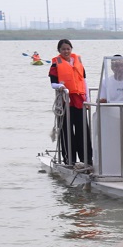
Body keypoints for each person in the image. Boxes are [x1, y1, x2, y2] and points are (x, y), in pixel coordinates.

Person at [48, 38, 90, 166]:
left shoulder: (77, 62)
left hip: (79, 100)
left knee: (83, 130)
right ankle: (69, 160)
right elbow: (53, 83)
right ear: (59, 50)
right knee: (66, 130)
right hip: (65, 101)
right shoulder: (56, 64)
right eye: (63, 49)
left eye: (68, 48)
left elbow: (83, 81)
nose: (66, 51)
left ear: (71, 49)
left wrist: (87, 99)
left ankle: (87, 159)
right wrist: (60, 87)